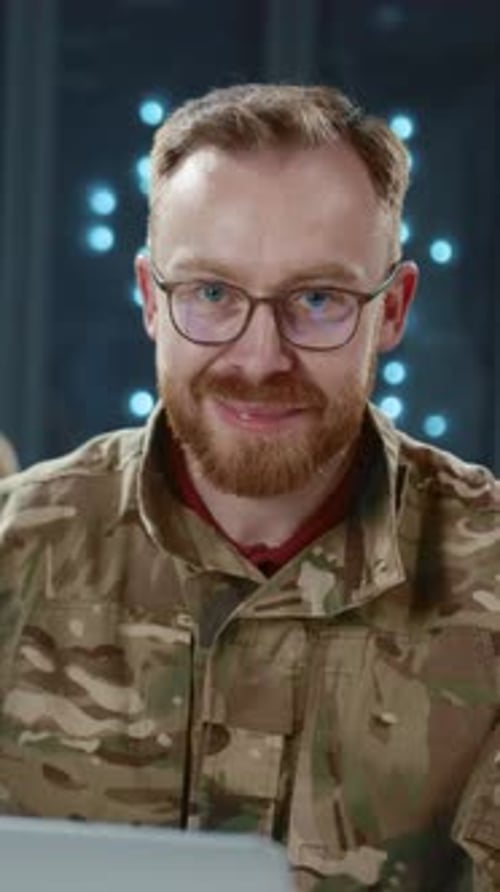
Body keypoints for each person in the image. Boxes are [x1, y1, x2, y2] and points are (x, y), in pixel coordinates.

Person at [0, 83, 498, 891]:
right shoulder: (11, 556)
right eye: (211, 293)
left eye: (318, 300)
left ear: (394, 308)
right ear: (149, 301)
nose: (260, 356)